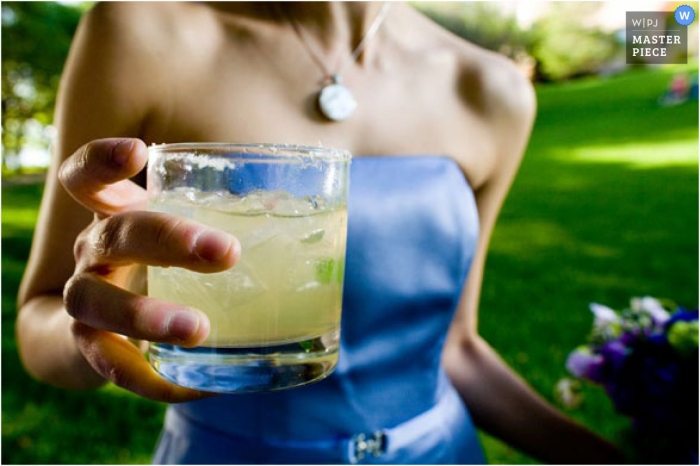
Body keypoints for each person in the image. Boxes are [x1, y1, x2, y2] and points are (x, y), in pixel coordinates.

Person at [16, 2, 623, 464]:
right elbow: (41, 318)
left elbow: (455, 347)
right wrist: (99, 328)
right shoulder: (142, 31)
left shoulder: (492, 89)